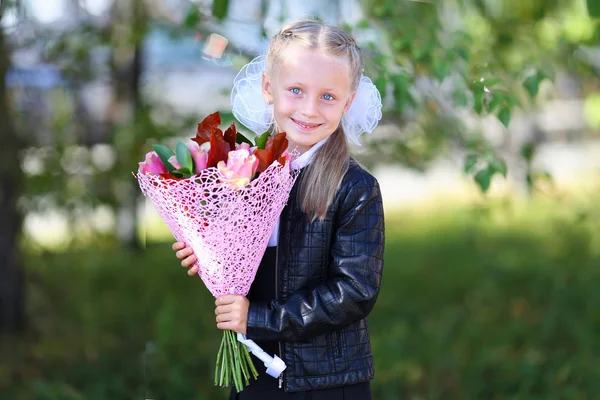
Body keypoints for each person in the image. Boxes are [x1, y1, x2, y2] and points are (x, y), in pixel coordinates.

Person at [172, 19, 385, 399]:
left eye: (328, 97)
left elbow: (354, 291)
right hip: (255, 370)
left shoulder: (355, 187)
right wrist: (209, 255)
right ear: (269, 88)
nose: (309, 109)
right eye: (297, 90)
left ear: (348, 102)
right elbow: (249, 264)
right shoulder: (244, 171)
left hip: (325, 382)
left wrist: (255, 318)